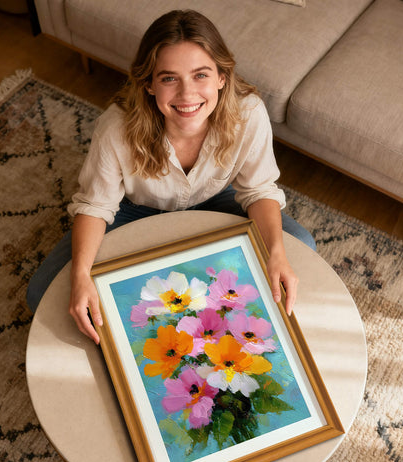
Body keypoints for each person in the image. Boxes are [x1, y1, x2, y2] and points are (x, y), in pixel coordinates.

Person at [26, 9, 316, 344]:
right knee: (43, 294)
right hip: (132, 211)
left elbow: (258, 189)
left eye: (200, 75)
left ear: (222, 77)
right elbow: (95, 207)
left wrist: (276, 251)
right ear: (148, 84)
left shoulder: (249, 113)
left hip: (216, 202)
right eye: (169, 78)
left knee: (299, 246)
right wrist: (81, 276)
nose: (187, 94)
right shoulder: (115, 129)